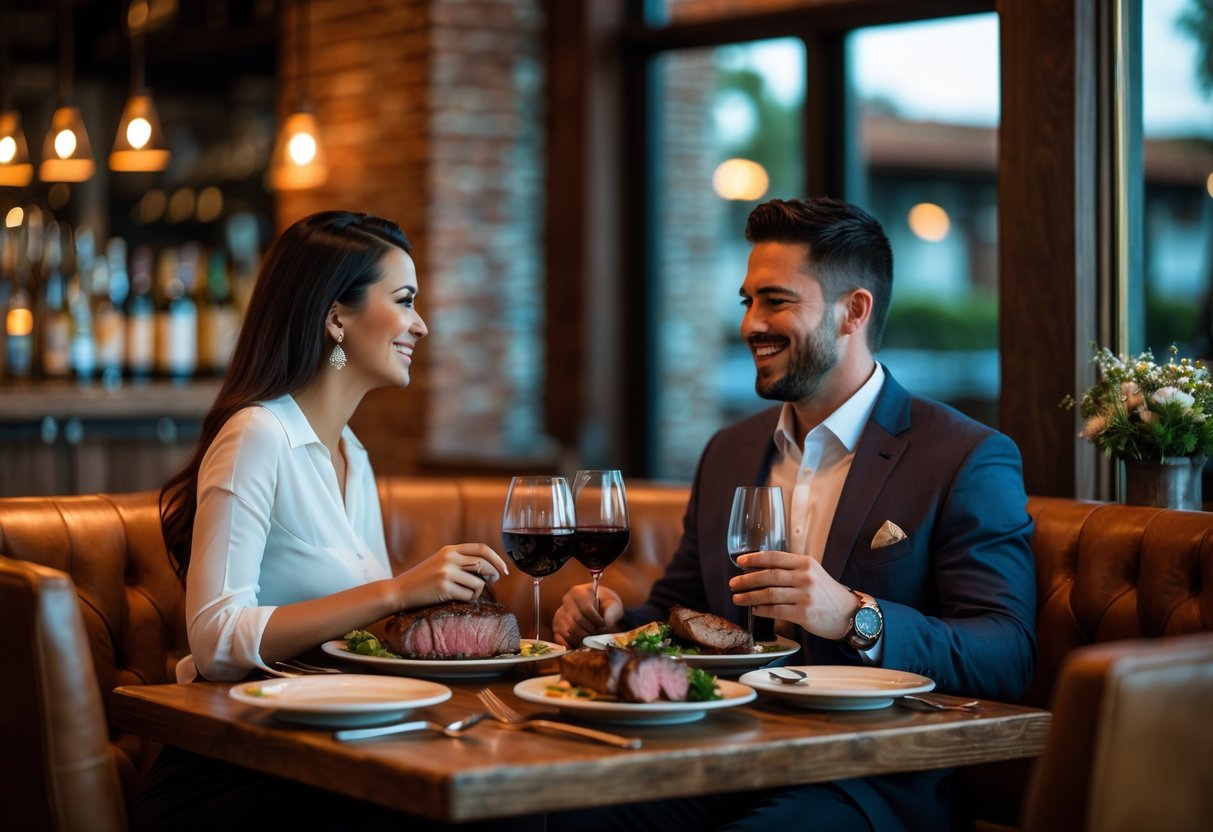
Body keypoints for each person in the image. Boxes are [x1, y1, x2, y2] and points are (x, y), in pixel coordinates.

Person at [552, 197, 1037, 832]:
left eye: (776, 301)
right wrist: (618, 622)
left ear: (852, 312)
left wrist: (855, 616)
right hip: (717, 754)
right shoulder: (728, 450)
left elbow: (1007, 653)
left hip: (866, 781)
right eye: (747, 301)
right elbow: (681, 605)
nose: (752, 323)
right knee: (554, 818)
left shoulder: (967, 457)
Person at [137, 211, 533, 831]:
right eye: (404, 301)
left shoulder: (354, 453)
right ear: (335, 317)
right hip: (237, 772)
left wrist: (441, 610)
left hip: (334, 753)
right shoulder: (256, 435)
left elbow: (361, 633)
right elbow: (214, 641)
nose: (421, 324)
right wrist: (401, 589)